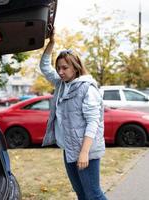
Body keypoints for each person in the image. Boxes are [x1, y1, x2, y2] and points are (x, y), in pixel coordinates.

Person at [40, 28, 107, 200]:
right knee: (81, 194)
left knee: (93, 194)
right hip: (69, 149)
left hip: (85, 150)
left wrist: (84, 152)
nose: (60, 72)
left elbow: (93, 122)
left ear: (75, 68)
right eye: (59, 68)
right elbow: (44, 66)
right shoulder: (61, 84)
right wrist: (51, 44)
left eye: (64, 68)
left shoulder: (87, 88)